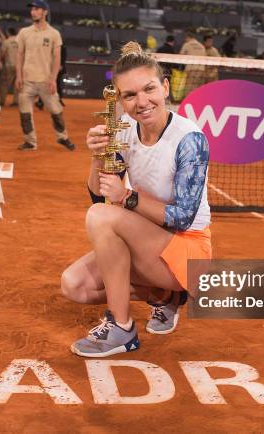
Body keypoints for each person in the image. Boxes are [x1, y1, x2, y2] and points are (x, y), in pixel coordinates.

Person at [61, 42, 212, 357]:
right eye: (130, 95)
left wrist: (127, 196)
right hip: (148, 242)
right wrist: (97, 156)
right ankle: (163, 295)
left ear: (165, 88)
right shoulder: (125, 130)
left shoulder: (190, 139)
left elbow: (183, 216)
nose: (142, 101)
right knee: (74, 284)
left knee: (102, 218)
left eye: (149, 89)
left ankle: (121, 327)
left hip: (188, 253)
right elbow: (97, 194)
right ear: (121, 99)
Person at [16, 0, 75, 151]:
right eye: (32, 10)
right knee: (25, 114)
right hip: (27, 81)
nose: (33, 12)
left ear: (45, 12)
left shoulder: (54, 34)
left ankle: (63, 137)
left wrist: (53, 79)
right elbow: (19, 55)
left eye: (36, 9)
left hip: (46, 81)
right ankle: (30, 142)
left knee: (56, 111)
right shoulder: (24, 32)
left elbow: (57, 58)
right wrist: (19, 76)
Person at [179, 31, 206, 98]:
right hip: (202, 70)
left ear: (187, 37)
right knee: (199, 90)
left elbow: (180, 57)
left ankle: (188, 104)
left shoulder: (187, 44)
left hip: (191, 69)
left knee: (189, 89)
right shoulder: (201, 46)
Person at [0, 27, 19, 107]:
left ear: (8, 33)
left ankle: (2, 101)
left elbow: (2, 54)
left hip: (9, 65)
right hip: (19, 66)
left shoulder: (6, 42)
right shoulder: (20, 41)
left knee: (4, 84)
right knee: (17, 84)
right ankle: (16, 101)